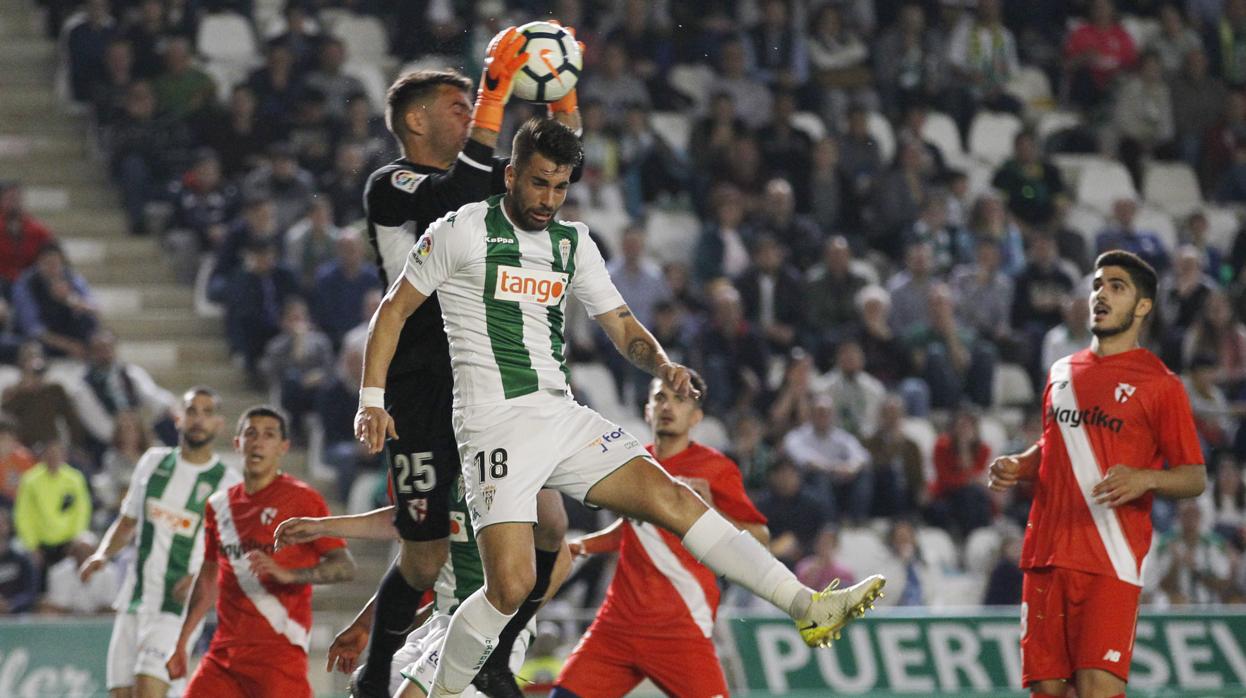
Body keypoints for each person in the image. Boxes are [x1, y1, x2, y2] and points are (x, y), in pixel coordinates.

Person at [356, 117, 886, 698]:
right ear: (510, 176)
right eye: (538, 184)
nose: (548, 199)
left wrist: (662, 366)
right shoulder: (461, 231)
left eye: (560, 187)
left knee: (673, 498)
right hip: (494, 427)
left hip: (560, 416)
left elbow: (622, 325)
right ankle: (439, 692)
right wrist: (373, 399)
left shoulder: (573, 242)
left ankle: (807, 605)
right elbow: (394, 312)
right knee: (510, 588)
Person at [348, 27, 584, 696]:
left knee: (551, 520)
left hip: (488, 375)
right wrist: (492, 92)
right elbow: (452, 197)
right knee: (422, 557)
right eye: (458, 105)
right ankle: (377, 679)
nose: (476, 112)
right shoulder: (391, 186)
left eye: (473, 103)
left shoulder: (494, 189)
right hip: (420, 382)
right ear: (416, 120)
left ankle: (496, 657)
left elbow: (563, 160)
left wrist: (564, 101)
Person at [989, 250, 1207, 698]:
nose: (1100, 294)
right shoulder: (1061, 371)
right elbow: (1055, 445)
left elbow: (1194, 476)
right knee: (1045, 691)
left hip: (1109, 558)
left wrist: (1145, 478)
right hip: (1046, 554)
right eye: (1097, 285)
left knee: (1096, 691)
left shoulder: (1160, 384)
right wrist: (1020, 463)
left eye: (1116, 286)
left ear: (1142, 306)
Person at [553, 374, 769, 698]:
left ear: (696, 417)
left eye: (680, 400)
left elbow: (760, 536)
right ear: (647, 410)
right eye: (660, 397)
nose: (668, 405)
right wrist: (584, 544)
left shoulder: (715, 468)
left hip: (679, 628)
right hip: (617, 624)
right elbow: (634, 528)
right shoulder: (632, 464)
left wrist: (711, 511)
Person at [272, 474, 572, 698]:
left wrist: (508, 618)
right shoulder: (438, 455)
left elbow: (562, 558)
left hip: (481, 628)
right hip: (442, 621)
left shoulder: (503, 461)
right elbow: (409, 531)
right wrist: (321, 526)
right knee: (364, 686)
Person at [165, 406, 356, 697]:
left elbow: (344, 567)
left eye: (269, 435)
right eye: (250, 434)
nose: (258, 441)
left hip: (278, 654)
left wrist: (289, 575)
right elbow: (207, 579)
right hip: (223, 656)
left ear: (283, 447)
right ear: (237, 443)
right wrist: (181, 643)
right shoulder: (219, 506)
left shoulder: (303, 499)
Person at [79, 386, 241, 698]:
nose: (198, 419)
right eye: (192, 411)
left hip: (176, 607)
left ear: (219, 424)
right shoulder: (152, 462)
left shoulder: (227, 483)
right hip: (134, 599)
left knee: (148, 688)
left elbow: (234, 554)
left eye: (207, 413)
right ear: (178, 418)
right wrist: (102, 554)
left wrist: (199, 579)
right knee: (123, 694)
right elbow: (127, 522)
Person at [13, 440, 91, 583]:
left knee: (87, 544)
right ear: (43, 457)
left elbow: (82, 510)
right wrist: (32, 545)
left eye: (57, 454)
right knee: (22, 552)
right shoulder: (30, 480)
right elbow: (23, 514)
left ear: (64, 456)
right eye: (50, 454)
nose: (53, 458)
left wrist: (76, 537)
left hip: (69, 539)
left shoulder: (74, 478)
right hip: (40, 541)